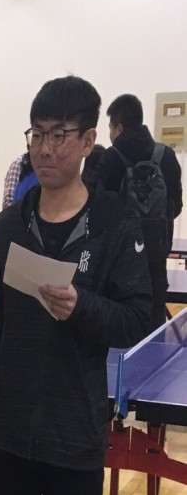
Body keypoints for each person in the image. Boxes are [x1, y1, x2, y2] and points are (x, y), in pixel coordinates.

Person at [0, 76, 152, 495]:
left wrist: (82, 306)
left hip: (75, 437)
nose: (44, 148)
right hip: (10, 433)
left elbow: (137, 319)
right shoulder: (11, 225)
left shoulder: (114, 223)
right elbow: (1, 311)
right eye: (37, 134)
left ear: (87, 141)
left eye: (59, 135)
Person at [95, 93, 182, 324]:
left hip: (117, 265)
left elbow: (97, 208)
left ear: (119, 128)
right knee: (154, 331)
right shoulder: (166, 156)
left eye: (110, 127)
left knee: (118, 328)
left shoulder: (110, 159)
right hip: (155, 262)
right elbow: (176, 206)